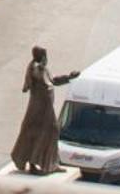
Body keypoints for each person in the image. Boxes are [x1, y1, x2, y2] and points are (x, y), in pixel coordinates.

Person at [9, 46, 76, 175]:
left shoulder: (42, 68)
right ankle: (34, 164)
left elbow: (53, 80)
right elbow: (38, 75)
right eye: (45, 55)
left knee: (51, 133)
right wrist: (41, 66)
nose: (47, 58)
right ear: (40, 56)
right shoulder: (35, 67)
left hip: (46, 107)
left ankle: (51, 163)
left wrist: (69, 77)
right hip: (38, 109)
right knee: (38, 133)